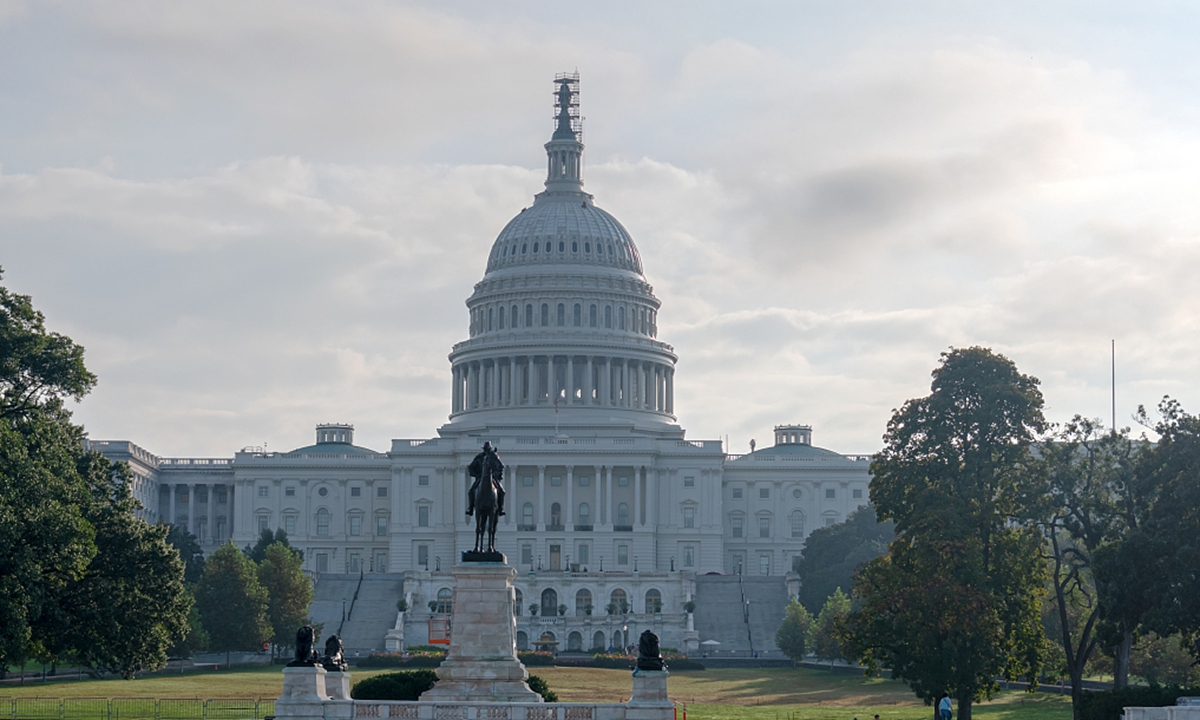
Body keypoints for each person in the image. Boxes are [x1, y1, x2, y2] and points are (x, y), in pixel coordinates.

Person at [466, 441, 505, 516]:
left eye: (488, 449)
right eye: (486, 449)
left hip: (493, 478)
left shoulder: (493, 457)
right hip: (480, 478)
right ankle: (470, 508)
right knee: (471, 491)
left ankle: (501, 508)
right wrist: (477, 475)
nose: (487, 451)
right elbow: (471, 467)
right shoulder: (479, 457)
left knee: (502, 491)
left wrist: (497, 475)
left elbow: (501, 466)